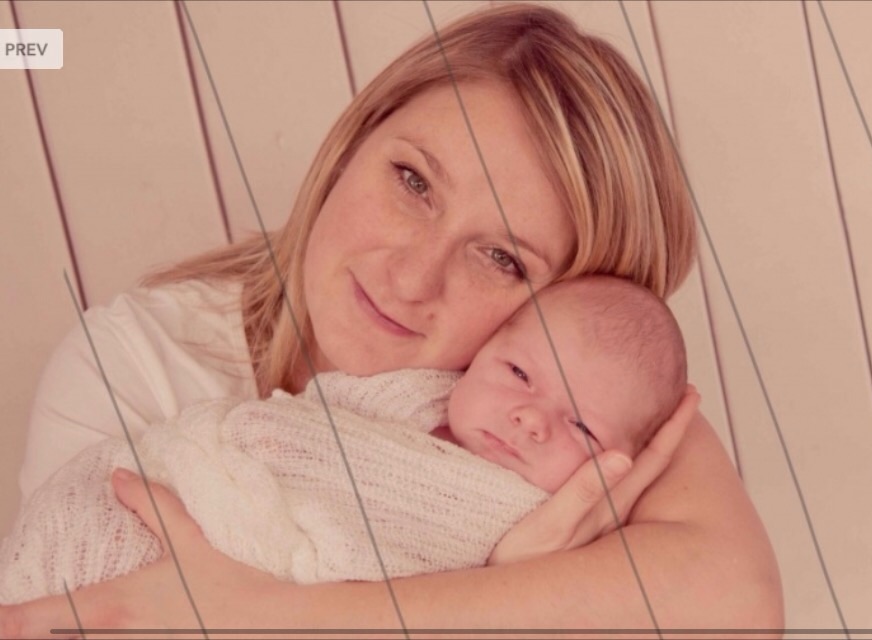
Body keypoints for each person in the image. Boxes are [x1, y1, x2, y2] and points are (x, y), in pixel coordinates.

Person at [2, 3, 782, 636]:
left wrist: (280, 619)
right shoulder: (139, 360)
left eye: (501, 258)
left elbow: (738, 607)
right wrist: (511, 597)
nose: (410, 277)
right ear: (353, 142)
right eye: (412, 180)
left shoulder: (559, 408)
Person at [0, 276, 687, 604]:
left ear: (615, 465)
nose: (532, 419)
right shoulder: (417, 391)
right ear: (483, 352)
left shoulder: (540, 521)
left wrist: (510, 575)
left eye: (582, 426)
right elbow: (317, 418)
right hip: (201, 479)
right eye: (518, 374)